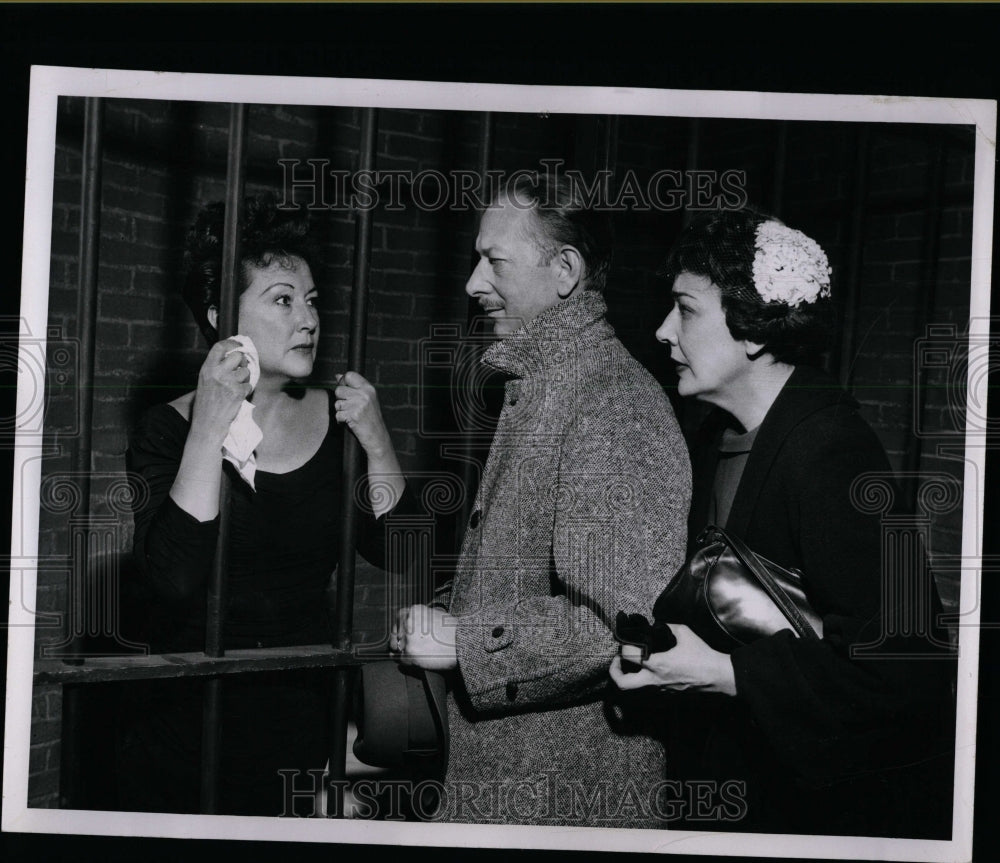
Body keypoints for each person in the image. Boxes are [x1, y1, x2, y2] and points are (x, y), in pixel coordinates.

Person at [610, 208, 956, 837]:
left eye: (686, 309)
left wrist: (724, 673)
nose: (662, 331)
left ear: (753, 330)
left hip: (817, 815)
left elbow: (909, 663)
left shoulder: (834, 451)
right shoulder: (715, 435)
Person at [393, 172, 692, 827]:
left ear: (564, 270)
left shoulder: (611, 402)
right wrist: (452, 610)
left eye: (494, 260)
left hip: (566, 797)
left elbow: (616, 624)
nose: (474, 282)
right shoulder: (548, 382)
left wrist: (464, 640)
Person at [117, 195, 406, 816]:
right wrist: (209, 426)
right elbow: (173, 576)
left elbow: (401, 551)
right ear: (225, 316)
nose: (307, 319)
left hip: (308, 722)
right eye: (282, 299)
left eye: (311, 301)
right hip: (189, 728)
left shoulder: (341, 418)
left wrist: (378, 442)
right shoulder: (165, 431)